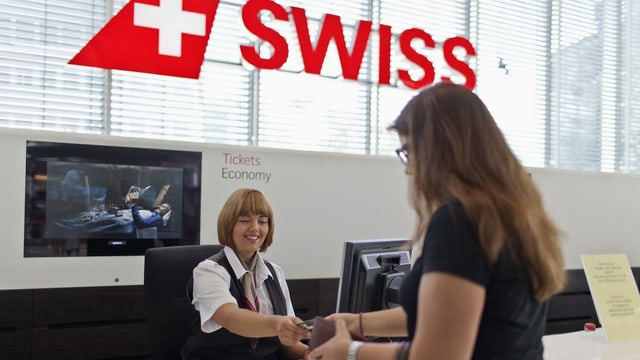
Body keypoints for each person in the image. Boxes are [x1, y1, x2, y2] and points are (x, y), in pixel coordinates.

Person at [309, 82, 566, 360]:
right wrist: (358, 323)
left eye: (408, 151)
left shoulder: (459, 221)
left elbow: (439, 353)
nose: (408, 169)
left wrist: (351, 352)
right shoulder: (514, 214)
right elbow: (447, 317)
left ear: (439, 146)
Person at [181, 188, 310, 360]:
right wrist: (279, 324)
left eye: (263, 221)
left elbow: (285, 341)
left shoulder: (275, 273)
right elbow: (232, 319)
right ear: (228, 224)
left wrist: (308, 353)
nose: (255, 228)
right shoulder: (208, 272)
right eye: (245, 220)